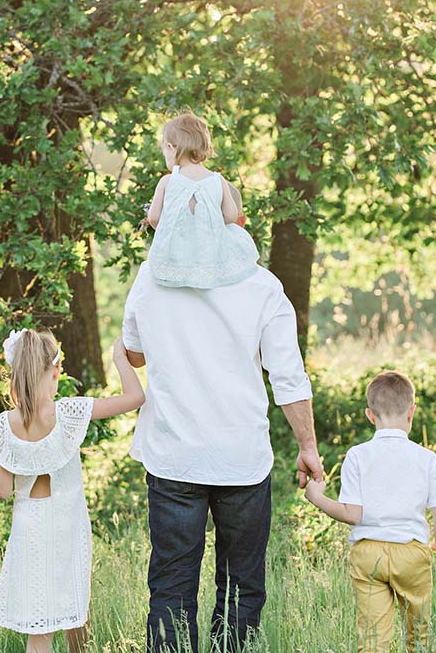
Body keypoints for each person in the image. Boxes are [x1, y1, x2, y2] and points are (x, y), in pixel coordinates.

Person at [122, 210, 323, 653]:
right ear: (234, 221)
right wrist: (307, 446)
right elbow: (287, 377)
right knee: (241, 586)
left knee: (171, 586)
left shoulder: (151, 277)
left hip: (173, 454)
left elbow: (133, 352)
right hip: (241, 456)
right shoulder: (261, 285)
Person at [0, 331, 146, 653]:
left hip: (29, 530)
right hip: (68, 526)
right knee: (75, 607)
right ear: (55, 372)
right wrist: (118, 359)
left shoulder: (3, 426)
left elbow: (0, 491)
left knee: (40, 632)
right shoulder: (68, 413)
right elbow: (135, 398)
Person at [303, 370, 436, 653]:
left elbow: (352, 515)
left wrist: (317, 498)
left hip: (368, 554)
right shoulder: (426, 458)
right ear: (412, 412)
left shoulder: (357, 455)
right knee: (418, 636)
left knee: (372, 640)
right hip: (411, 554)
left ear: (370, 416)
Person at [144, 112, 260, 289]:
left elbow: (153, 218)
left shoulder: (167, 181)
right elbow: (230, 216)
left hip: (177, 254)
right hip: (209, 255)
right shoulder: (218, 180)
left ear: (171, 147)